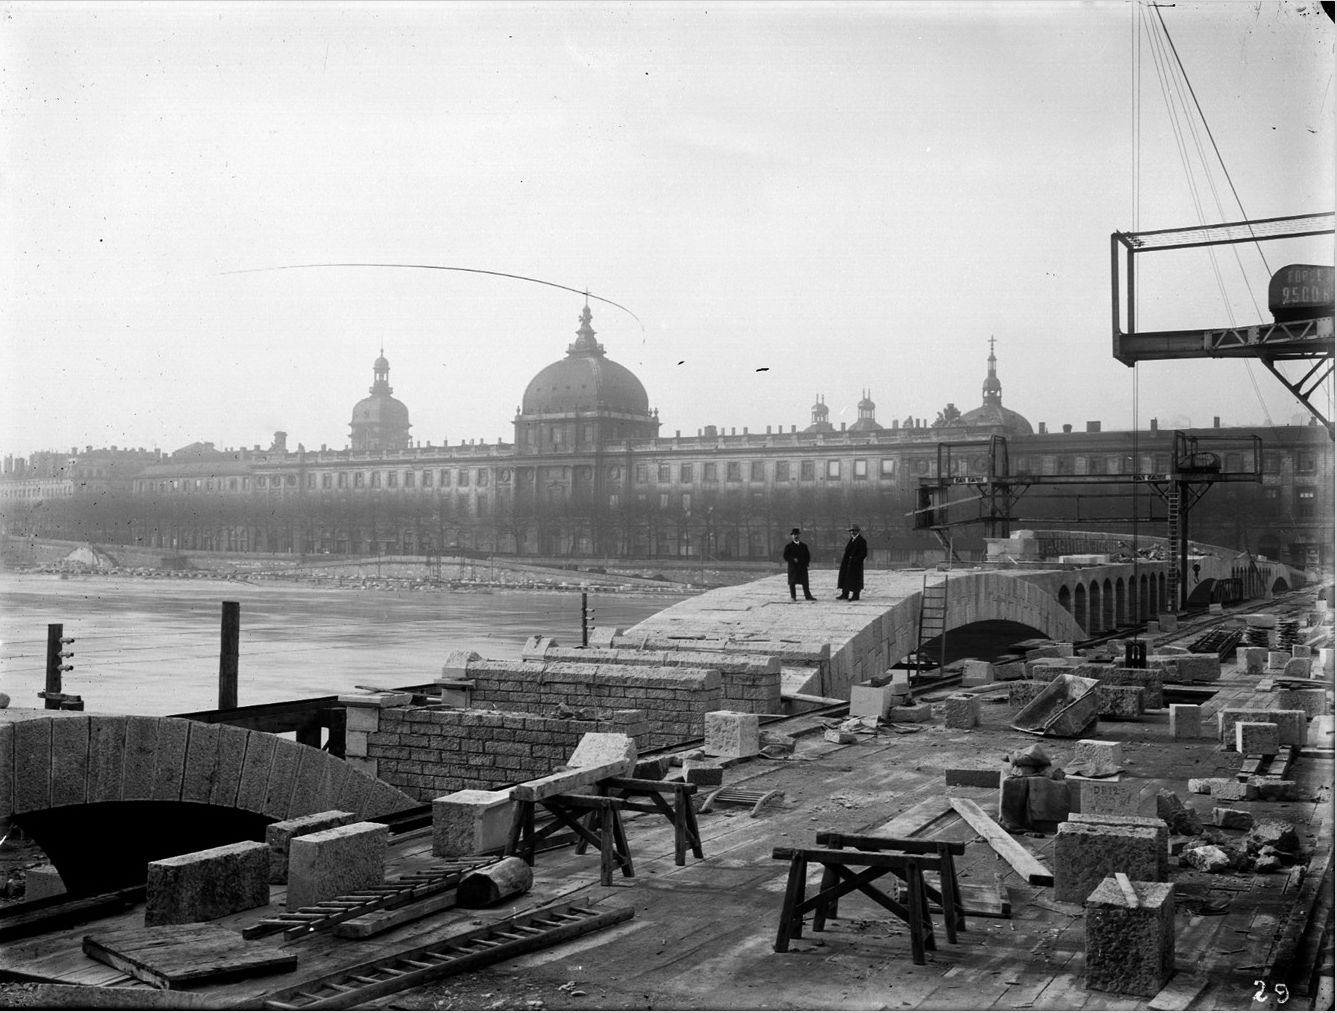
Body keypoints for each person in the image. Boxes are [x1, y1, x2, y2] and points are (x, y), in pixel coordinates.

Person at [782, 528, 815, 601]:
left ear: (799, 536)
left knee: (805, 582)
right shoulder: (789, 546)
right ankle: (793, 596)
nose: (795, 536)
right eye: (794, 535)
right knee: (792, 583)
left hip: (802, 567)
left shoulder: (804, 546)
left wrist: (806, 564)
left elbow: (807, 556)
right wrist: (792, 559)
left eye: (797, 535)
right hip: (793, 567)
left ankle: (808, 596)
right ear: (792, 536)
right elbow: (785, 556)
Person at [836, 524, 867, 601]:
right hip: (847, 563)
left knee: (855, 580)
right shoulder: (852, 539)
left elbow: (863, 553)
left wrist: (856, 560)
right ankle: (845, 594)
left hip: (856, 565)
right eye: (851, 531)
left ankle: (855, 595)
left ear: (857, 531)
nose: (852, 532)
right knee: (846, 578)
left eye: (854, 531)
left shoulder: (861, 541)